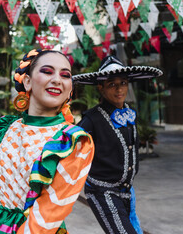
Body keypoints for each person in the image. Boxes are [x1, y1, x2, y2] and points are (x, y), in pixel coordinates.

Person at [0, 49, 94, 234]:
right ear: (27, 81)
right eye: (47, 71)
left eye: (65, 75)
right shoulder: (4, 129)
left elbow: (48, 215)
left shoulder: (73, 140)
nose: (58, 80)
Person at [73, 56, 163, 234]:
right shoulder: (92, 118)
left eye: (123, 83)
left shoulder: (130, 114)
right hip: (101, 191)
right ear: (101, 87)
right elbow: (70, 144)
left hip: (127, 191)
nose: (119, 88)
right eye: (112, 84)